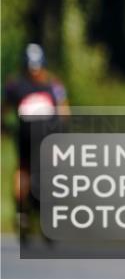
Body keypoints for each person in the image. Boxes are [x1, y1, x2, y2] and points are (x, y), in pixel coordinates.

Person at [2, 43, 70, 243]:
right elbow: (65, 113)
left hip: (25, 133)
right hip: (47, 135)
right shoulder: (54, 85)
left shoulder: (14, 85)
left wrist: (4, 129)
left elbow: (3, 112)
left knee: (22, 169)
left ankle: (21, 214)